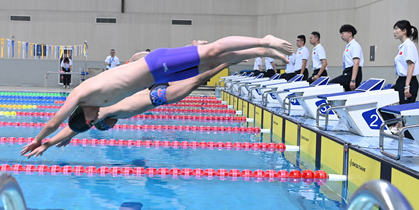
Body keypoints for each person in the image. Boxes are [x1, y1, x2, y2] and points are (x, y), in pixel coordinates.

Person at [20, 35, 292, 158]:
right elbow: (72, 130)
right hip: (159, 77)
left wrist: (38, 139)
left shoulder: (81, 95)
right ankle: (260, 53)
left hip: (155, 64)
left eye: (89, 122)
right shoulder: (97, 107)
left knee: (211, 52)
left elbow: (58, 121)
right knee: (211, 64)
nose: (93, 123)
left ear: (83, 114)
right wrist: (51, 144)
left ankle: (264, 41)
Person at [25, 64, 230, 156]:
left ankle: (224, 62)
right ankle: (208, 56)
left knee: (196, 80)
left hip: (156, 96)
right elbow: (75, 130)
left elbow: (73, 128)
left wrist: (48, 143)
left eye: (104, 126)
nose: (111, 126)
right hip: (154, 92)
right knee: (191, 78)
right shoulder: (110, 111)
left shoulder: (105, 111)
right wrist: (67, 138)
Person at [328, 24, 363, 91]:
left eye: (343, 33)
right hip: (347, 72)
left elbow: (356, 63)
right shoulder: (348, 46)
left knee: (330, 85)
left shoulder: (354, 45)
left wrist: (353, 80)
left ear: (350, 33)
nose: (341, 35)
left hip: (352, 73)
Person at [392, 20, 419, 104]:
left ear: (404, 31)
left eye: (397, 29)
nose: (394, 32)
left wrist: (407, 86)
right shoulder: (403, 46)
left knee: (405, 109)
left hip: (409, 81)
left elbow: (411, 65)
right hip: (401, 81)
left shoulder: (409, 45)